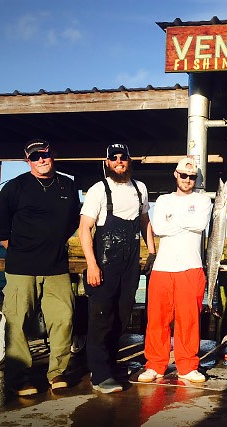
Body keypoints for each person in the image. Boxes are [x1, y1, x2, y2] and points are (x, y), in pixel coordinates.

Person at [0, 139, 80, 396]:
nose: (42, 159)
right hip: (21, 268)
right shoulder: (15, 186)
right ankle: (19, 377)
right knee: (16, 322)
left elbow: (73, 220)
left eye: (46, 154)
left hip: (57, 267)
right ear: (27, 159)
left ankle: (57, 372)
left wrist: (52, 244)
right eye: (36, 156)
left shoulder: (68, 185)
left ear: (54, 155)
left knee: (63, 319)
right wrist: (20, 250)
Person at [78, 143, 156, 394]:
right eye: (114, 158)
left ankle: (110, 364)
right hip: (103, 263)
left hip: (130, 265)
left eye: (123, 158)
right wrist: (92, 265)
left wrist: (152, 253)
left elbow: (145, 222)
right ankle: (99, 375)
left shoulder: (140, 188)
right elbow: (84, 229)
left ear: (129, 161)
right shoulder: (98, 190)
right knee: (101, 318)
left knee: (122, 317)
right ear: (107, 162)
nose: (119, 161)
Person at [137, 157, 212, 384]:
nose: (187, 180)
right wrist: (183, 220)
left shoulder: (203, 200)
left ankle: (187, 366)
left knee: (188, 320)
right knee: (157, 319)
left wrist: (173, 221)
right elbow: (158, 227)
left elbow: (199, 224)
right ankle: (155, 365)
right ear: (176, 175)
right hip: (162, 268)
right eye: (183, 175)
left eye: (192, 177)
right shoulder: (163, 200)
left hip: (191, 267)